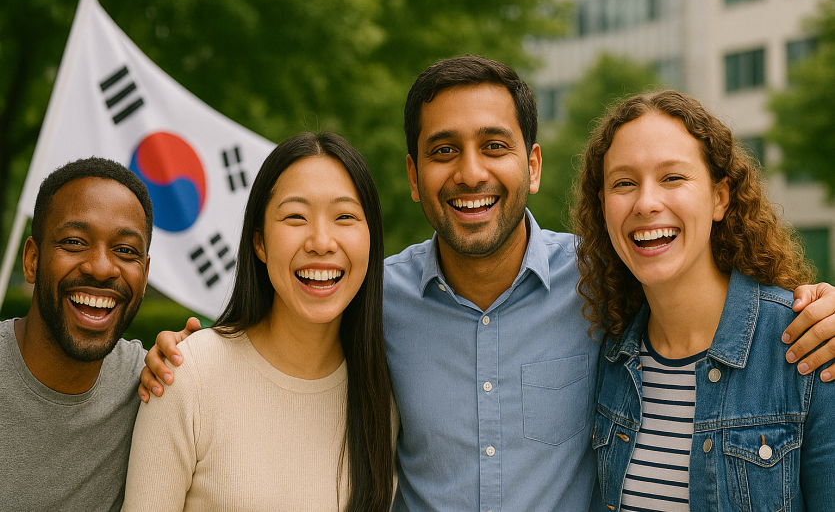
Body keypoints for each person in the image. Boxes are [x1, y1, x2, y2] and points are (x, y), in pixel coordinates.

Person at [141, 57, 835, 511]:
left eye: (494, 145)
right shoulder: (371, 299)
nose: (470, 171)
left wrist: (817, 308)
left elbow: (705, 297)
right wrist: (181, 354)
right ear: (414, 176)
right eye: (444, 151)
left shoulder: (605, 282)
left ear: (531, 164)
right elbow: (278, 351)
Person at [573, 90, 835, 510]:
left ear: (720, 197)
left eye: (672, 177)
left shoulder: (807, 346)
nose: (646, 202)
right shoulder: (604, 357)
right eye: (624, 183)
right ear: (603, 207)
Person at [121, 132, 395, 511]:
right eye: (295, 216)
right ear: (260, 243)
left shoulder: (385, 393)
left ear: (371, 240)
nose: (321, 241)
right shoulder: (189, 374)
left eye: (345, 216)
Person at [0, 157, 153, 511]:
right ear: (32, 260)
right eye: (74, 242)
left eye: (125, 250)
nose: (100, 267)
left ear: (144, 275)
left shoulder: (151, 384)